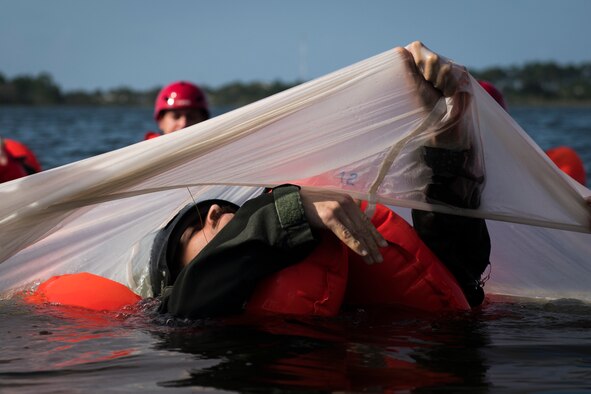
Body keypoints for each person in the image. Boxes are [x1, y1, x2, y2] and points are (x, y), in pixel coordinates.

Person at [151, 42, 492, 319]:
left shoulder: (330, 272)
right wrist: (292, 210)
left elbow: (458, 281)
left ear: (213, 215)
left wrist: (445, 150)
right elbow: (187, 300)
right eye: (174, 116)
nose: (182, 124)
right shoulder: (178, 313)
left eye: (190, 115)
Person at [145, 81, 210, 140]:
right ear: (161, 121)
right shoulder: (144, 150)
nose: (183, 124)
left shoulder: (216, 150)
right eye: (176, 117)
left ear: (203, 120)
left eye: (191, 117)